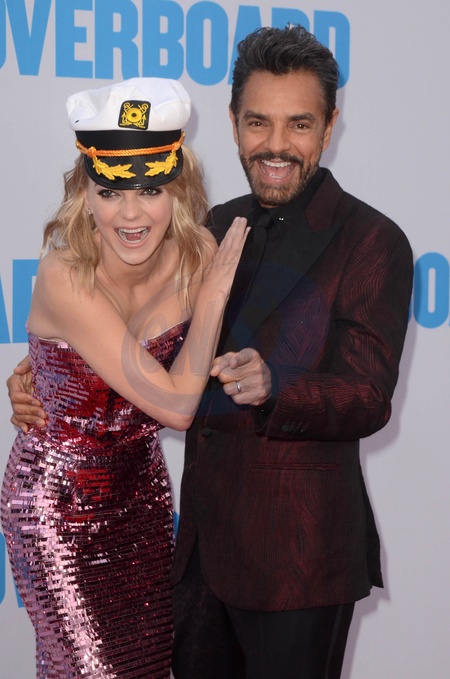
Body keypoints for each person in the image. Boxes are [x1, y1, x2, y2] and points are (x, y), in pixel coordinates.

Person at [7, 25, 414, 679]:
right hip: (195, 559)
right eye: (258, 122)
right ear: (233, 124)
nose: (276, 144)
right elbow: (119, 329)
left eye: (299, 124)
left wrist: (277, 387)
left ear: (329, 126)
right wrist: (42, 372)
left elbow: (367, 395)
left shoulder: (372, 239)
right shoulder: (207, 229)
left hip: (299, 564)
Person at [1, 77, 248, 679]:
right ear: (84, 195)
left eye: (150, 189)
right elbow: (176, 406)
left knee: (143, 668)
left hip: (141, 497)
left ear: (177, 190)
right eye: (110, 191)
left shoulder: (196, 255)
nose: (131, 213)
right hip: (57, 505)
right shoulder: (65, 274)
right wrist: (211, 301)